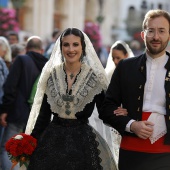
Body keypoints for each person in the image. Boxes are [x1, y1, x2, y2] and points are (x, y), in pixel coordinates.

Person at [25, 28, 117, 170]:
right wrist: (29, 143)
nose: (70, 49)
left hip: (82, 144)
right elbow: (43, 116)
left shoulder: (94, 77)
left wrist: (125, 119)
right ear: (60, 47)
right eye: (66, 45)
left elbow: (105, 112)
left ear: (83, 47)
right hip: (51, 142)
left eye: (75, 44)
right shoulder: (52, 74)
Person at [101, 9, 170, 170]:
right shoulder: (126, 67)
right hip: (131, 152)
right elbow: (106, 108)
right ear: (143, 34)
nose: (156, 37)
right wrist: (132, 125)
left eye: (161, 31)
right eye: (151, 31)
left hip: (166, 155)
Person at [0, 36, 48, 170]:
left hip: (17, 112)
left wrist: (4, 110)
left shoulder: (22, 60)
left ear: (26, 48)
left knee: (7, 148)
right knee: (29, 149)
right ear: (42, 50)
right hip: (37, 116)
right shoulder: (47, 64)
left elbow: (11, 87)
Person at [89, 40, 134, 166]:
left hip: (128, 119)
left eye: (118, 58)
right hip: (112, 119)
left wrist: (128, 108)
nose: (115, 61)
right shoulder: (108, 74)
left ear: (126, 56)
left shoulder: (133, 72)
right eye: (113, 57)